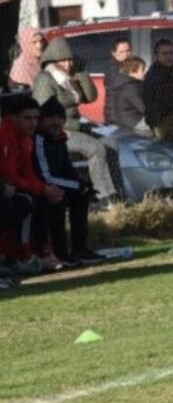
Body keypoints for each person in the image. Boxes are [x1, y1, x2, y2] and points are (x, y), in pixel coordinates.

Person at [31, 37, 120, 207]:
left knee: (111, 145)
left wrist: (81, 72)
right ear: (53, 60)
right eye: (64, 60)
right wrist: (73, 126)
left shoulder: (69, 78)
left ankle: (117, 192)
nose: (68, 64)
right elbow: (44, 113)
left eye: (70, 60)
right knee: (96, 148)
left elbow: (90, 97)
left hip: (75, 125)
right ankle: (104, 196)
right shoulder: (45, 79)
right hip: (57, 131)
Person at [33, 97, 106, 265]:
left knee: (81, 196)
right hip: (41, 188)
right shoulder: (39, 141)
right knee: (59, 199)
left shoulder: (59, 140)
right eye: (51, 118)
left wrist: (82, 184)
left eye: (59, 118)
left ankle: (80, 248)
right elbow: (45, 176)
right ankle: (60, 251)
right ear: (42, 120)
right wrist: (76, 185)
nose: (56, 122)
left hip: (56, 186)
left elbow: (68, 170)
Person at [0, 95, 60, 275]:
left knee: (51, 199)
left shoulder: (26, 139)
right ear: (14, 118)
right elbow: (9, 175)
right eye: (27, 118)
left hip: (9, 187)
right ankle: (22, 254)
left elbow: (28, 174)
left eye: (35, 118)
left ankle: (48, 251)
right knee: (25, 201)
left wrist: (46, 189)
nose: (32, 123)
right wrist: (41, 189)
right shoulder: (5, 138)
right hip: (4, 188)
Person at [109, 56, 151, 136]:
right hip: (133, 122)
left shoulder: (123, 84)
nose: (145, 72)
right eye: (142, 70)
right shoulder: (132, 87)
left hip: (122, 121)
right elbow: (144, 108)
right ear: (133, 71)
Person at [103, 37, 132, 125]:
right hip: (116, 117)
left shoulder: (128, 66)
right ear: (113, 53)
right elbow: (122, 82)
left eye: (128, 51)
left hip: (125, 114)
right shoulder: (113, 69)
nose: (126, 54)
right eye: (122, 52)